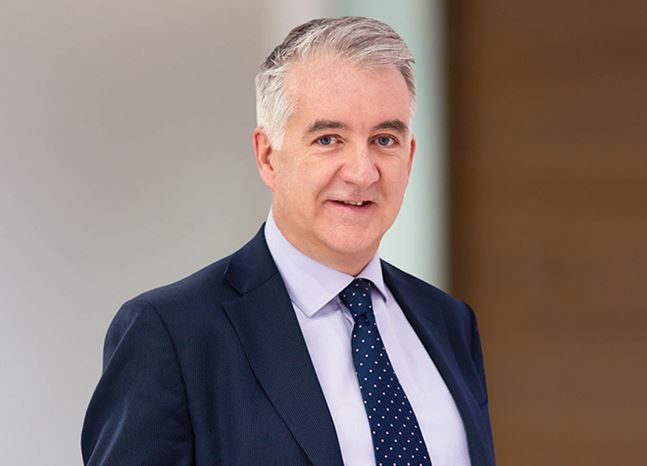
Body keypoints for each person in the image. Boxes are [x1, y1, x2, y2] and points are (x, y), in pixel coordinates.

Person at [81, 16, 495, 466]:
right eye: (328, 139)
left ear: (409, 157)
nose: (362, 172)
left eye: (384, 139)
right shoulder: (172, 335)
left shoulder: (449, 323)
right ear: (267, 156)